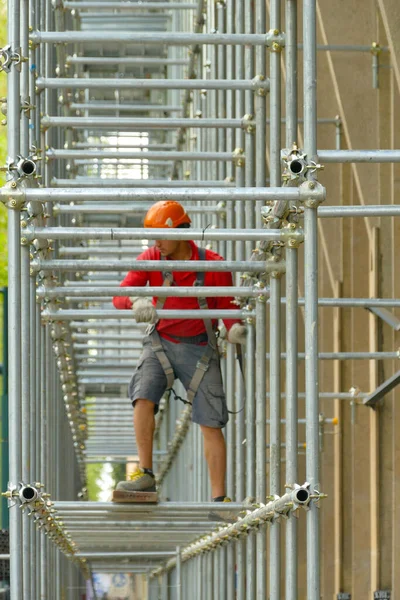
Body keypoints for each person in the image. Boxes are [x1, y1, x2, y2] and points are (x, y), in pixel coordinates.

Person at [112, 200, 246, 505]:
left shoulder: (212, 264)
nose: (155, 242)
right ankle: (145, 474)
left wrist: (234, 327)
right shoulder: (151, 259)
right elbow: (120, 293)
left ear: (181, 232)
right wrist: (135, 301)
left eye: (160, 234)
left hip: (200, 349)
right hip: (160, 342)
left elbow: (226, 304)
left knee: (211, 421)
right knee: (143, 395)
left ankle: (219, 498)